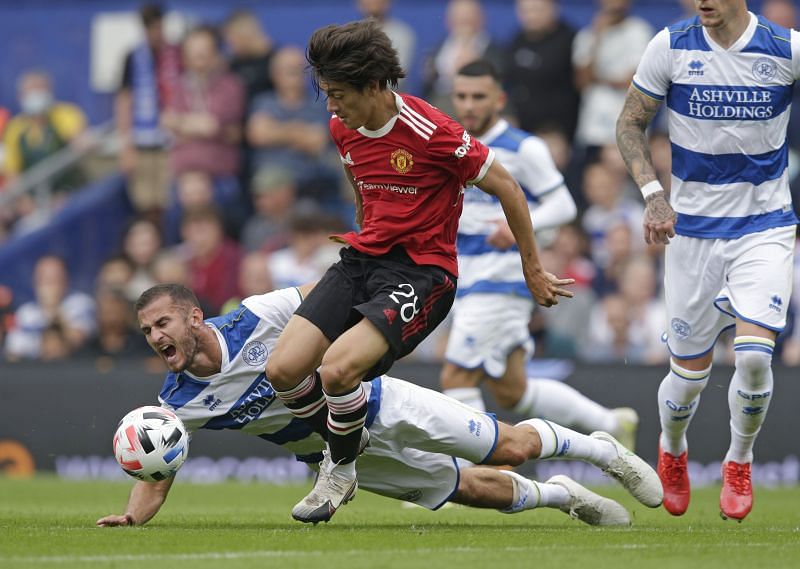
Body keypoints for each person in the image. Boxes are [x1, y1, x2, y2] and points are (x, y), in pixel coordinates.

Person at [262, 19, 574, 524]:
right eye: (327, 95)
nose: (332, 107)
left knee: (338, 370)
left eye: (339, 94)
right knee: (281, 370)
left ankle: (339, 468)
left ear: (373, 86)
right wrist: (367, 227)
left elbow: (510, 189)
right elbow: (358, 179)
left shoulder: (435, 133)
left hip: (422, 271)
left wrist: (533, 270)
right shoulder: (342, 127)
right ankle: (348, 435)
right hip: (364, 259)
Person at [96, 283, 663, 528]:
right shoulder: (176, 403)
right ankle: (565, 497)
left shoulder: (258, 316)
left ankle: (601, 450)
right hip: (340, 459)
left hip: (378, 403)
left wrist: (361, 344)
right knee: (469, 490)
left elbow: (328, 298)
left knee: (508, 446)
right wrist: (134, 515)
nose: (154, 336)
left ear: (194, 317)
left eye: (162, 323)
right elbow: (159, 468)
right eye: (146, 329)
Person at [615, 0, 798, 521]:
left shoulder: (786, 49)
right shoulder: (670, 46)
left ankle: (740, 460)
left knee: (756, 356)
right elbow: (629, 123)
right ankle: (673, 448)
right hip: (691, 233)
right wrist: (653, 193)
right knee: (688, 377)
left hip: (764, 226)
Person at [440, 59, 639, 450]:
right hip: (466, 276)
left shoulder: (522, 147)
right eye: (461, 96)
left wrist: (512, 227)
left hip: (504, 278)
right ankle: (611, 422)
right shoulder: (453, 144)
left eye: (478, 96)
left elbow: (564, 205)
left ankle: (464, 470)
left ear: (499, 99)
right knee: (512, 391)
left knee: (456, 378)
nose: (468, 105)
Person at [116, 3, 181, 214]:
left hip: (172, 141)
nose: (155, 33)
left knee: (170, 201)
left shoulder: (178, 54)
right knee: (145, 203)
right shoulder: (133, 57)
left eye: (158, 26)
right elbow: (124, 100)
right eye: (149, 27)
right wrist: (126, 145)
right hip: (142, 142)